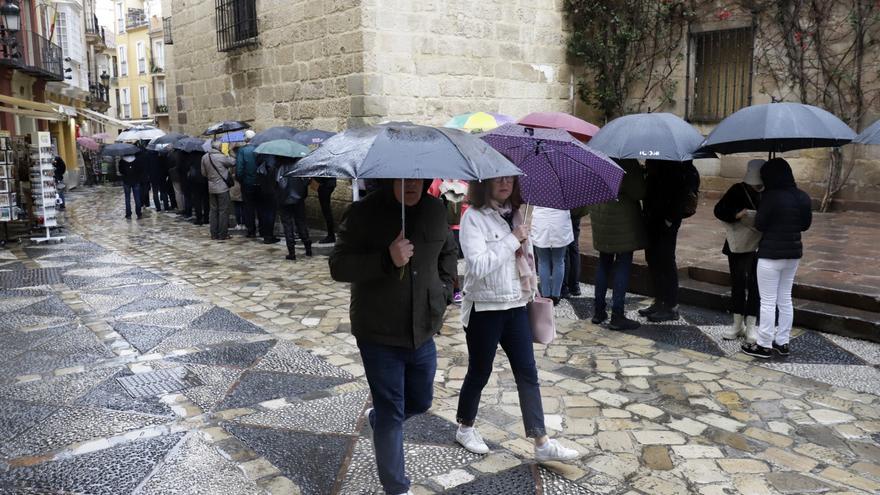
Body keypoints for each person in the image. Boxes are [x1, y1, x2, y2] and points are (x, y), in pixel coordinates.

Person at [329, 179, 456, 495]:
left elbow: (448, 253)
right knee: (391, 410)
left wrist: (443, 292)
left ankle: (381, 419)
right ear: (390, 178)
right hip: (378, 331)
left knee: (421, 401)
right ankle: (396, 487)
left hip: (423, 329)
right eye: (403, 177)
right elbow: (338, 266)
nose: (411, 183)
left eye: (417, 176)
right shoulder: (362, 213)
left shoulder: (435, 209)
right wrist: (387, 259)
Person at [455, 176, 581, 463]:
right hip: (484, 309)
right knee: (479, 371)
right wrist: (514, 239)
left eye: (509, 178)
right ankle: (465, 426)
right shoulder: (473, 218)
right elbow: (478, 265)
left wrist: (525, 246)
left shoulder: (518, 216)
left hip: (516, 306)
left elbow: (525, 262)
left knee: (528, 372)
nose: (504, 183)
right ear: (484, 183)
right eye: (498, 179)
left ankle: (542, 442)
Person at [741, 158, 812, 359]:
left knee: (768, 301)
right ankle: (782, 342)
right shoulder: (803, 196)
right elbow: (805, 225)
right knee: (785, 299)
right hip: (793, 254)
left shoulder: (770, 197)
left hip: (770, 256)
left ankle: (763, 345)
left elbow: (761, 224)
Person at [588, 159, 647, 330]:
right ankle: (617, 315)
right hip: (622, 221)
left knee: (604, 263)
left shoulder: (597, 157)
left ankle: (598, 312)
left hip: (601, 215)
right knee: (623, 264)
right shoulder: (628, 162)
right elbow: (639, 192)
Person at [714, 159, 764, 342]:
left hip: (760, 244)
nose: (757, 187)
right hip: (739, 245)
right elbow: (719, 210)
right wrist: (737, 214)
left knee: (755, 285)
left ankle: (751, 325)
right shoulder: (737, 189)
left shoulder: (770, 192)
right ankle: (737, 324)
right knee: (738, 283)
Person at [640, 160, 693, 322]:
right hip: (652, 220)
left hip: (666, 222)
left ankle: (670, 305)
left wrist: (669, 220)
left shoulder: (675, 168)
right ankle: (659, 300)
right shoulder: (654, 165)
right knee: (653, 259)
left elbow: (680, 195)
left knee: (666, 261)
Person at [530, 206, 573, 305]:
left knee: (543, 261)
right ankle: (556, 295)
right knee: (559, 260)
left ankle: (545, 295)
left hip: (540, 220)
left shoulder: (536, 190)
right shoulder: (563, 191)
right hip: (560, 220)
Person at [275, 157, 312, 260]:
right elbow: (306, 182)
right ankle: (308, 248)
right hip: (298, 199)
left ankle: (292, 252)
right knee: (301, 222)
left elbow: (279, 183)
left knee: (288, 225)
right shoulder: (300, 167)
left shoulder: (281, 168)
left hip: (285, 200)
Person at [201, 144, 236, 240]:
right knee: (223, 211)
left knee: (213, 211)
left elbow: (203, 173)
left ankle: (213, 233)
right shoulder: (221, 157)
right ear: (219, 148)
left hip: (211, 188)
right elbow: (233, 162)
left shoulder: (204, 157)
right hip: (222, 188)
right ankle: (222, 234)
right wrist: (230, 152)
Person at [561, 206, 588, 298]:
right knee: (574, 247)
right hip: (577, 210)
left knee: (565, 249)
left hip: (563, 212)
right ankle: (574, 286)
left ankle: (564, 287)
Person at [185, 150, 209, 225]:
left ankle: (199, 218)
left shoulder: (191, 156)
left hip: (195, 181)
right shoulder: (205, 155)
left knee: (197, 200)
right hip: (205, 180)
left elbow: (187, 166)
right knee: (206, 200)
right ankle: (206, 218)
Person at [118, 154, 144, 219]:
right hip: (136, 181)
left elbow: (121, 171)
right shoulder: (137, 160)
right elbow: (140, 170)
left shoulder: (122, 161)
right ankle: (139, 213)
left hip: (126, 182)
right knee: (137, 198)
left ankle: (128, 214)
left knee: (127, 198)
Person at [315, 177, 337, 243]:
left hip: (325, 185)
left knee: (326, 211)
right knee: (327, 211)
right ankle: (331, 235)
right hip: (329, 184)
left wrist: (314, 178)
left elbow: (322, 175)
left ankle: (331, 236)